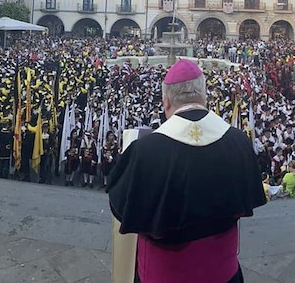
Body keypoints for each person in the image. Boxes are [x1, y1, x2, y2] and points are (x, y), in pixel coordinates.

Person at [107, 59, 266, 283]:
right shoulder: (238, 141)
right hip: (223, 272)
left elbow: (121, 209)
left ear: (166, 100)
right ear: (204, 95)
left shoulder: (145, 151)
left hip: (164, 275)